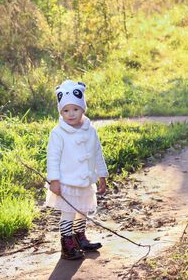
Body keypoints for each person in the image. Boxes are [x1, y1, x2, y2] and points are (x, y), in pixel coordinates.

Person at [45, 79, 109, 260]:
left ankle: (80, 237)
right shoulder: (57, 133)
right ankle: (67, 244)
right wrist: (54, 180)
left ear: (83, 109)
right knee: (68, 213)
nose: (71, 114)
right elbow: (53, 158)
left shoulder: (91, 131)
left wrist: (102, 175)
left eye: (75, 109)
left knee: (83, 211)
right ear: (60, 111)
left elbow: (97, 153)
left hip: (86, 181)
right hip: (67, 183)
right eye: (66, 110)